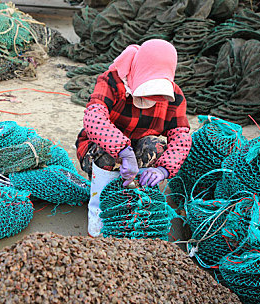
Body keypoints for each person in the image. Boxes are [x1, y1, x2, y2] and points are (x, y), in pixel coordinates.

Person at [75, 39, 192, 237]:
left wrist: (164, 169)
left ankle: (135, 199)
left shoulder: (175, 95)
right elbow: (94, 117)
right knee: (108, 153)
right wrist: (122, 150)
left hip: (139, 150)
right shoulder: (112, 81)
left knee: (155, 147)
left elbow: (181, 136)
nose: (151, 99)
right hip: (101, 150)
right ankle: (99, 212)